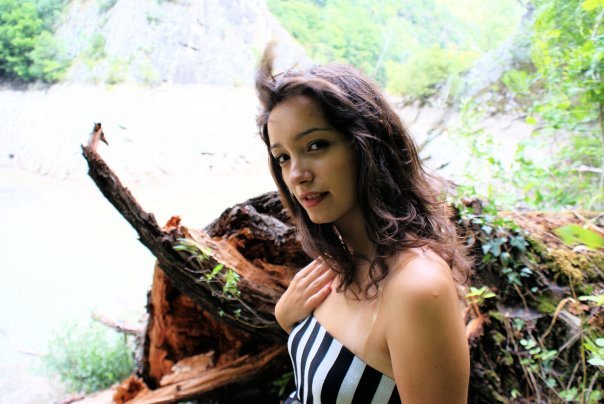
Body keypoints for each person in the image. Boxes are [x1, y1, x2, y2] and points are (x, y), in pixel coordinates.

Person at [255, 46, 472, 404]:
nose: (296, 174)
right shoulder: (339, 263)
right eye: (283, 157)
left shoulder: (417, 287)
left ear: (368, 145)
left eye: (316, 145)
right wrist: (288, 320)